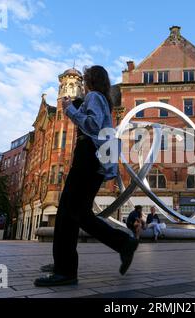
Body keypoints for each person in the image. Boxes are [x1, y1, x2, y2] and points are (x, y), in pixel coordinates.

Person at [34, 66, 139, 288]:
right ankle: (63, 264)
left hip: (88, 158)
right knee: (68, 213)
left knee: (74, 212)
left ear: (91, 80)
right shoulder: (100, 98)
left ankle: (119, 244)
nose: (83, 85)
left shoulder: (94, 96)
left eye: (85, 79)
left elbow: (91, 125)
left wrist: (69, 109)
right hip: (92, 159)